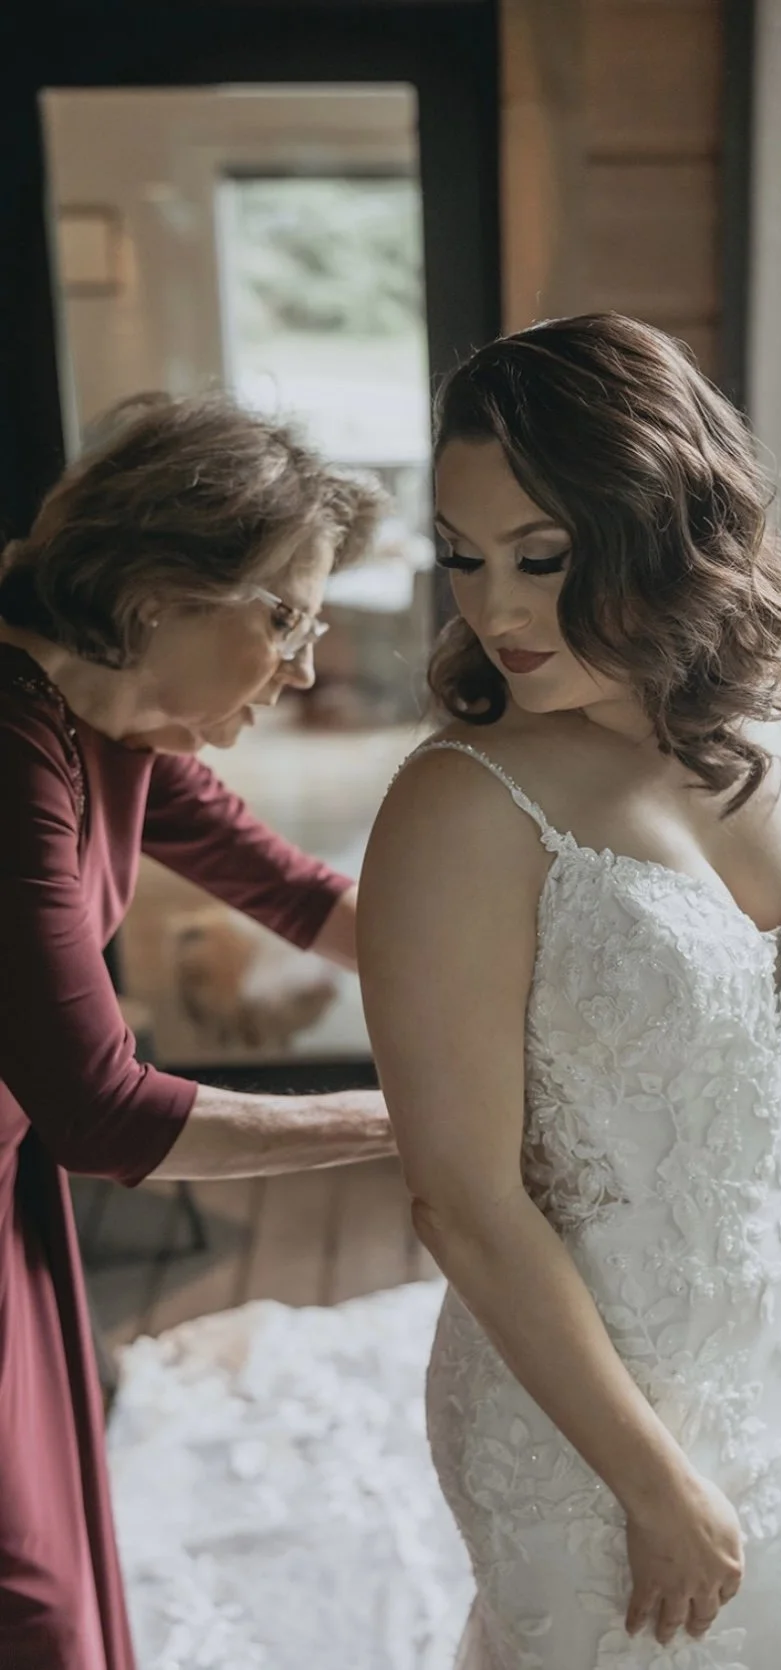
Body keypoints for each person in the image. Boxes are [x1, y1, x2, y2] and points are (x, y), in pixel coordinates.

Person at [357, 313, 781, 1668]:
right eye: (464, 556)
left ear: (658, 532)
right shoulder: (461, 805)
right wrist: (652, 1483)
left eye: (540, 559)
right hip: (586, 1420)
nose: (490, 610)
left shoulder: (756, 726)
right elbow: (466, 1203)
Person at [0, 392, 396, 1670]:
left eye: (314, 621)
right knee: (34, 1609)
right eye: (283, 615)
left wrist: (539, 978)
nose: (303, 666)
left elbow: (303, 895)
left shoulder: (109, 721)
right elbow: (104, 1110)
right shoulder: (14, 749)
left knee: (58, 1573)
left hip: (8, 1202)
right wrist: (416, 1125)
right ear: (162, 589)